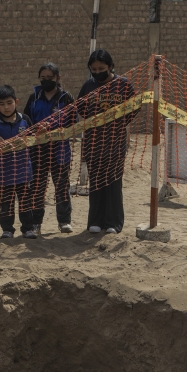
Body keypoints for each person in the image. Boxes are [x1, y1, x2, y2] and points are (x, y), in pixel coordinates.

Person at [76, 49, 137, 234]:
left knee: (113, 182)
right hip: (93, 143)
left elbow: (134, 108)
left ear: (110, 66)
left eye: (101, 68)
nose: (97, 72)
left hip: (115, 143)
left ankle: (113, 223)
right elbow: (81, 109)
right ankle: (95, 222)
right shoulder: (88, 86)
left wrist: (117, 124)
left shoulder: (123, 85)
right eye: (93, 69)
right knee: (96, 182)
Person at [23, 62, 75, 235]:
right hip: (37, 151)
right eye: (42, 78)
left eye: (50, 78)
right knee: (37, 187)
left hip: (60, 150)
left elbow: (73, 122)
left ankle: (64, 221)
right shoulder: (34, 98)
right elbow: (26, 122)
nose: (46, 81)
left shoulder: (66, 98)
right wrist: (38, 129)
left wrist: (54, 128)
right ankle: (36, 223)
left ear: (58, 78)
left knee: (61, 186)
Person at [0, 85, 36, 239]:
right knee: (6, 204)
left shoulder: (25, 120)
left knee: (25, 202)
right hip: (5, 173)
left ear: (16, 101)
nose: (6, 107)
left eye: (9, 103)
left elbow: (34, 136)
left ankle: (28, 229)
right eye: (2, 104)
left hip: (24, 172)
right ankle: (7, 230)